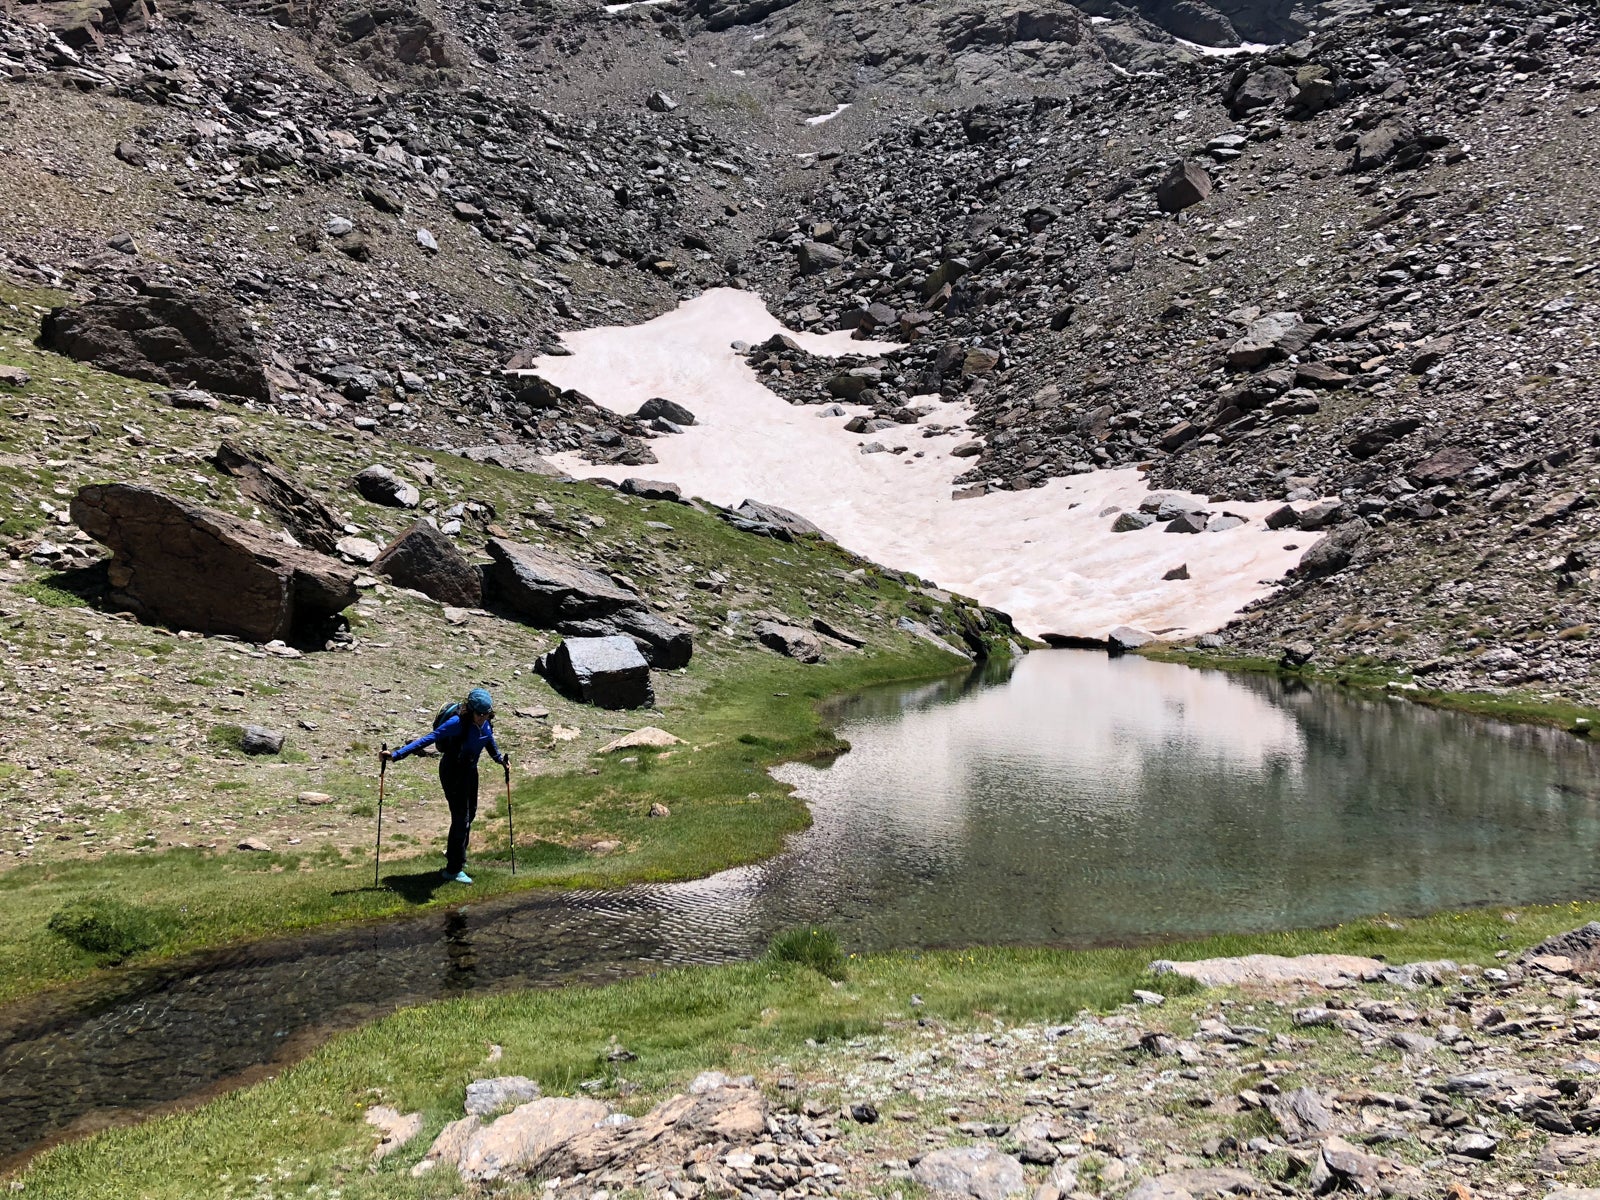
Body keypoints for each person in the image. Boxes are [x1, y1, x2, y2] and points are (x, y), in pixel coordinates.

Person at [381, 687, 508, 884]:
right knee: (461, 818)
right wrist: (396, 755)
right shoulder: (457, 723)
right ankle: (453, 869)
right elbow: (427, 739)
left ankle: (455, 852)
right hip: (452, 772)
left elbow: (488, 738)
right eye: (480, 714)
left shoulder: (485, 722)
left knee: (470, 814)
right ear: (470, 709)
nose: (483, 718)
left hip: (470, 771)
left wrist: (499, 759)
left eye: (487, 714)